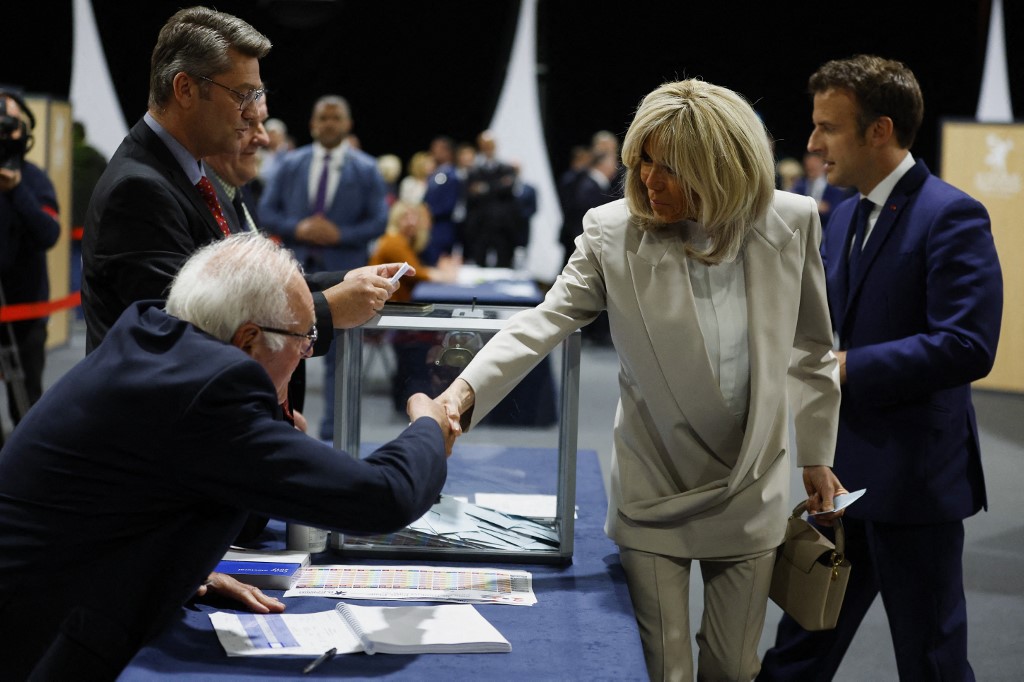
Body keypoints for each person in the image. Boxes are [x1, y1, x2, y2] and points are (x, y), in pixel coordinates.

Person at [435, 78, 846, 681]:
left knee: (734, 668)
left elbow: (812, 348)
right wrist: (460, 395)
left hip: (753, 484)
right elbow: (543, 322)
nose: (648, 181)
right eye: (642, 161)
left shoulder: (792, 219)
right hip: (656, 486)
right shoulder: (611, 231)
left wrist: (816, 455)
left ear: (721, 165)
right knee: (665, 669)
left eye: (669, 167)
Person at [0, 233, 453, 680]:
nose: (306, 352)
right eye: (304, 338)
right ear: (249, 339)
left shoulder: (153, 332)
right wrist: (427, 424)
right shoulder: (211, 391)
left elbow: (118, 499)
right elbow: (384, 497)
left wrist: (189, 570)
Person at [759, 55, 1003, 682]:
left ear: (879, 130)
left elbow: (968, 345)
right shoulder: (840, 215)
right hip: (841, 480)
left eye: (826, 128)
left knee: (930, 661)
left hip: (916, 484)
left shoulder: (952, 214)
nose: (812, 145)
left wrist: (844, 367)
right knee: (798, 652)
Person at [81, 8, 399, 357]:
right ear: (185, 89)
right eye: (241, 94)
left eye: (255, 95)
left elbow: (244, 291)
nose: (251, 114)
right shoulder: (138, 190)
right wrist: (326, 309)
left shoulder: (196, 177)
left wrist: (344, 282)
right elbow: (182, 331)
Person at [258, 93, 389, 440]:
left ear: (348, 124)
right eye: (323, 118)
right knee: (283, 349)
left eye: (336, 118)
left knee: (340, 357)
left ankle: (334, 434)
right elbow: (267, 212)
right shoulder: (289, 164)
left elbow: (379, 221)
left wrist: (340, 233)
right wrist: (298, 227)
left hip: (343, 273)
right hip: (291, 272)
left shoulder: (367, 169)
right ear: (313, 124)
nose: (329, 124)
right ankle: (281, 427)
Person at [0, 89, 60, 446]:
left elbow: (48, 233)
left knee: (26, 401)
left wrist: (16, 190)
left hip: (25, 316)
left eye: (11, 123)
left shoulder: (34, 179)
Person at [788, 151, 852, 228]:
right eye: (808, 166)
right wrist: (817, 206)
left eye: (814, 165)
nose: (811, 168)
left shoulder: (835, 189)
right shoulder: (799, 186)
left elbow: (837, 213)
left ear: (823, 166)